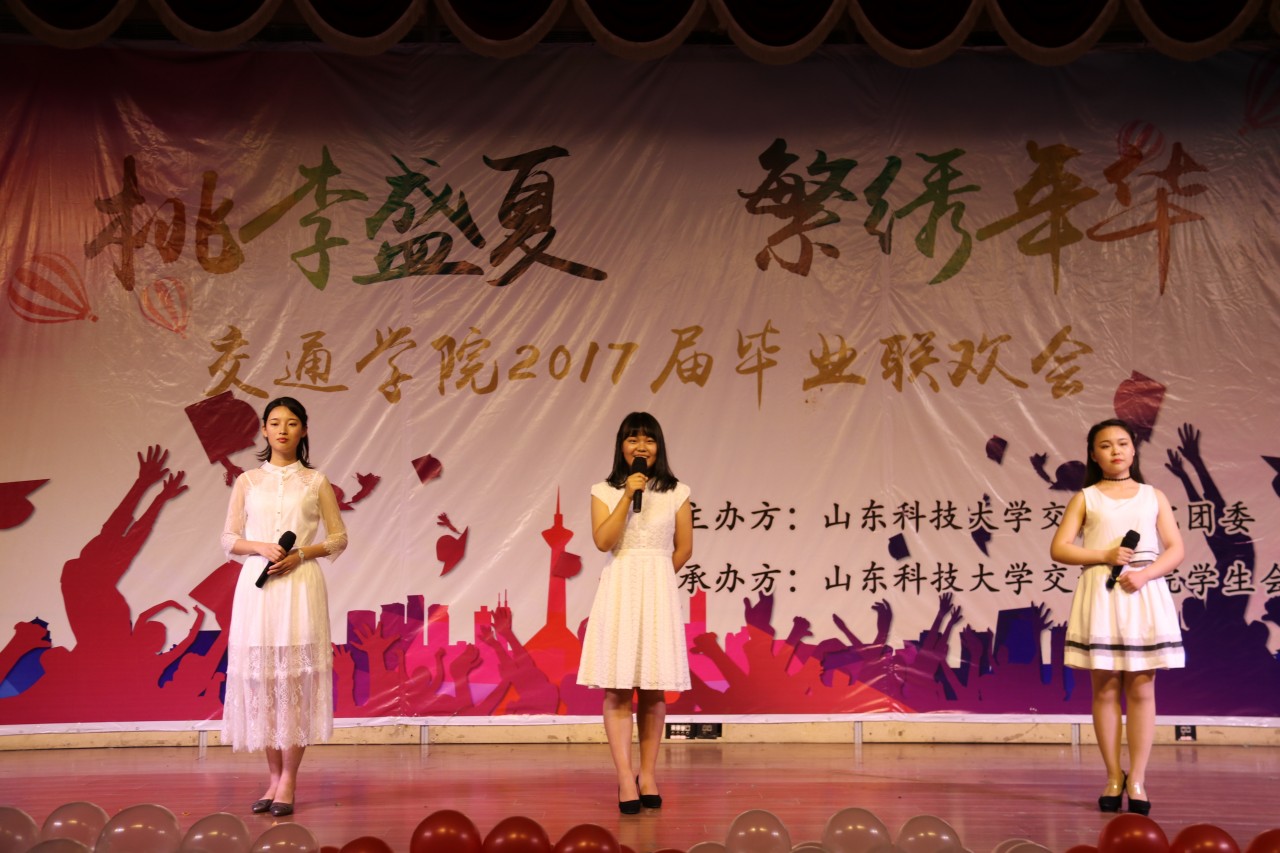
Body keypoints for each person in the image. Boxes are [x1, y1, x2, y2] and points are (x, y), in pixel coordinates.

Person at [220, 397, 348, 817]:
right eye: (275, 423)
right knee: (264, 685)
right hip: (257, 589)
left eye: (292, 423)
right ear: (263, 430)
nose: (282, 430)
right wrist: (260, 546)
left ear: (304, 430)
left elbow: (338, 538)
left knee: (293, 684)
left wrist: (301, 554)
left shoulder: (315, 481)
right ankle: (272, 779)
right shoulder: (247, 481)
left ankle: (289, 780)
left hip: (299, 585)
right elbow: (228, 539)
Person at [1050, 418, 1184, 816]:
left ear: (1133, 449)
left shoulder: (1152, 495)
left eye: (1122, 443)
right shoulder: (1086, 498)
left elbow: (1175, 549)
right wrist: (1104, 555)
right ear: (1094, 455)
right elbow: (1060, 548)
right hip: (1102, 593)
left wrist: (1145, 574)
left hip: (1142, 592)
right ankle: (1113, 776)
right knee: (1105, 688)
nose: (1116, 451)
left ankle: (1137, 778)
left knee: (1142, 688)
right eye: (1106, 445)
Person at [577, 412, 693, 814]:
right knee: (618, 687)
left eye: (649, 439)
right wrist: (627, 495)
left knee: (654, 688)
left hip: (658, 590)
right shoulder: (603, 491)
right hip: (620, 588)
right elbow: (603, 541)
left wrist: (658, 579)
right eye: (633, 439)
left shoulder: (677, 491)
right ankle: (625, 776)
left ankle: (649, 774)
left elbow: (684, 548)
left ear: (658, 446)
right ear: (621, 446)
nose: (641, 446)